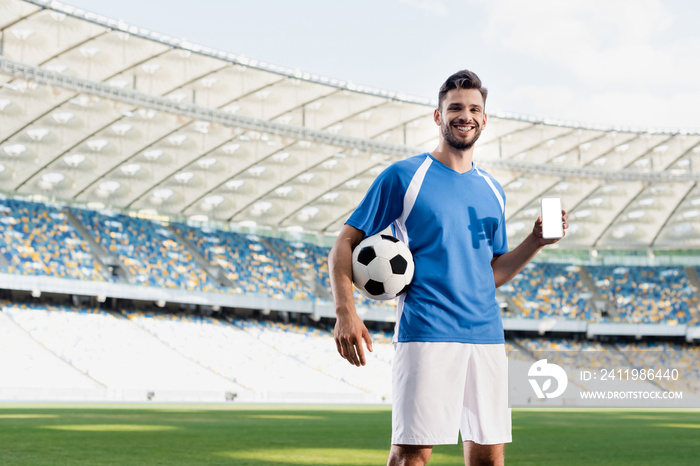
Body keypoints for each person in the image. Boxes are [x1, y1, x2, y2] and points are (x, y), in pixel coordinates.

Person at [328, 69, 567, 466]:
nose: (465, 115)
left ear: (485, 120)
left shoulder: (493, 190)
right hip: (427, 333)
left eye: (474, 108)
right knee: (411, 457)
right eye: (455, 107)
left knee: (490, 459)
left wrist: (535, 242)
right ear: (438, 117)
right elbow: (344, 243)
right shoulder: (404, 176)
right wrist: (345, 311)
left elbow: (489, 274)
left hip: (487, 337)